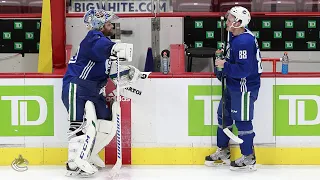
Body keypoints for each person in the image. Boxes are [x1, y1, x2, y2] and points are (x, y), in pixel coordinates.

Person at [61, 9, 141, 177]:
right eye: (108, 23)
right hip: (77, 87)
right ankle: (74, 164)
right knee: (79, 126)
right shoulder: (94, 39)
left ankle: (88, 154)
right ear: (99, 25)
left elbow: (107, 69)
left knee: (105, 120)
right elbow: (102, 46)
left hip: (93, 91)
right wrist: (116, 47)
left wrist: (129, 73)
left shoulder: (103, 46)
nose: (112, 26)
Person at [204, 6, 263, 171]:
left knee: (243, 122)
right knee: (224, 116)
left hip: (243, 87)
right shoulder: (234, 34)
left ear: (239, 22)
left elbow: (244, 70)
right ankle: (223, 151)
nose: (227, 21)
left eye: (230, 19)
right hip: (232, 84)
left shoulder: (244, 41)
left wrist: (224, 65)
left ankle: (248, 158)